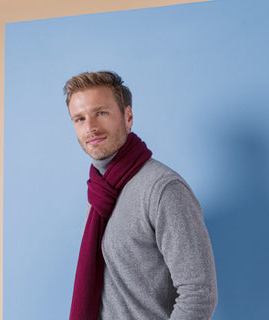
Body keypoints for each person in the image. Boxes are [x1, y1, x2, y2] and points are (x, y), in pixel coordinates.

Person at [64, 71, 218, 320]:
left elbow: (199, 294)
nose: (90, 127)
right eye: (79, 119)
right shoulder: (99, 191)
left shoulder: (164, 189)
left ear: (128, 116)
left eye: (101, 113)